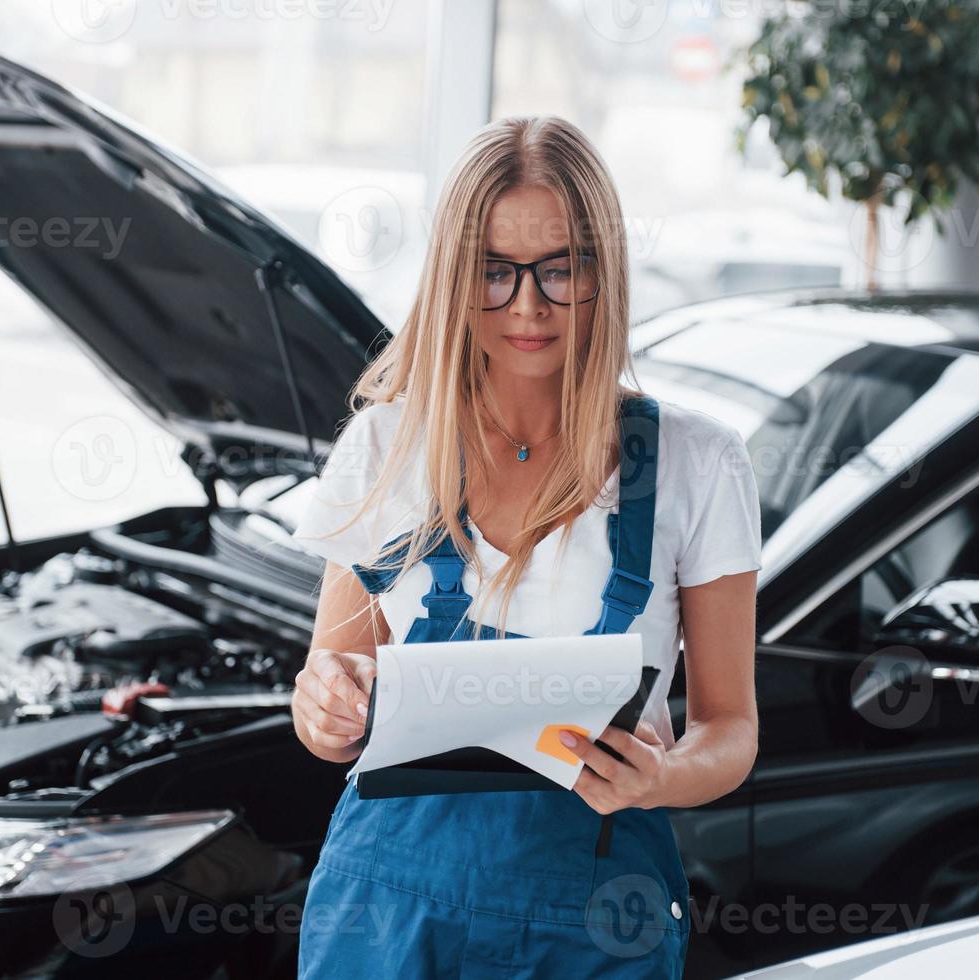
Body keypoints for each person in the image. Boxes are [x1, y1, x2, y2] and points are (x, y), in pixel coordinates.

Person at [287, 115, 762, 978]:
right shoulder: (385, 449)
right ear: (453, 277)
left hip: (593, 924)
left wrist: (659, 777)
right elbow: (329, 703)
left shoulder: (699, 464)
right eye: (494, 273)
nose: (528, 305)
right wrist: (323, 705)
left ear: (603, 273)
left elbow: (731, 731)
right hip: (385, 912)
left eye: (560, 268)